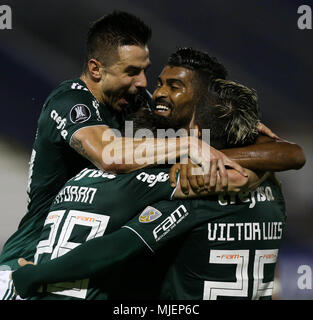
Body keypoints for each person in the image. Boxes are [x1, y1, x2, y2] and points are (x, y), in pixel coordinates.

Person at [12, 52, 304, 299]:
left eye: (174, 86)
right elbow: (290, 155)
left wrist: (34, 275)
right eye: (160, 83)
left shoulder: (186, 183)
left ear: (203, 102)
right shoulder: (269, 179)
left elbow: (118, 246)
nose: (159, 93)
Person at [0, 13, 248, 274]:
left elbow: (204, 137)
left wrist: (243, 128)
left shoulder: (136, 102)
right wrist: (186, 145)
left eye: (144, 71)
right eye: (131, 72)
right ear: (96, 69)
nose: (142, 82)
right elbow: (109, 156)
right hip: (32, 259)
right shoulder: (70, 101)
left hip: (91, 265)